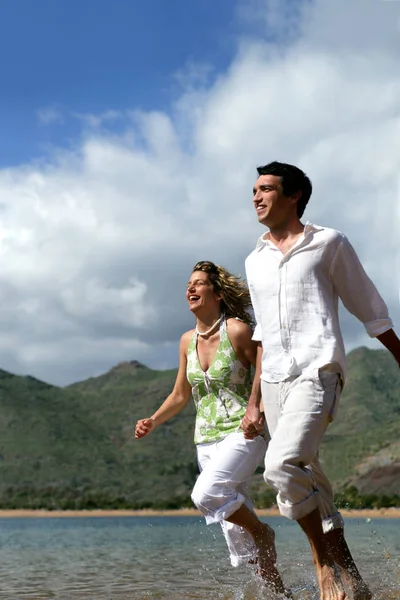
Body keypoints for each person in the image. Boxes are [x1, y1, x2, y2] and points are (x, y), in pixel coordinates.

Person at [241, 161, 400, 600]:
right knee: (308, 476)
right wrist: (253, 401)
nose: (255, 196)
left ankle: (322, 565)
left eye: (266, 189)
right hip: (273, 381)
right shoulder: (254, 260)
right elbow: (262, 336)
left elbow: (368, 305)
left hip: (317, 370)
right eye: (253, 190)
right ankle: (358, 584)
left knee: (281, 465)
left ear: (293, 196)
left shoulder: (328, 243)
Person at [134, 261, 289, 595]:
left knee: (206, 495)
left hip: (242, 432)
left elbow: (265, 363)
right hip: (204, 440)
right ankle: (280, 593)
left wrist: (256, 408)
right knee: (240, 541)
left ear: (217, 293)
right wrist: (153, 420)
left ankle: (264, 531)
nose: (190, 288)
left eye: (199, 283)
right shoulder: (187, 341)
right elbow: (180, 394)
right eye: (189, 283)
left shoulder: (236, 330)